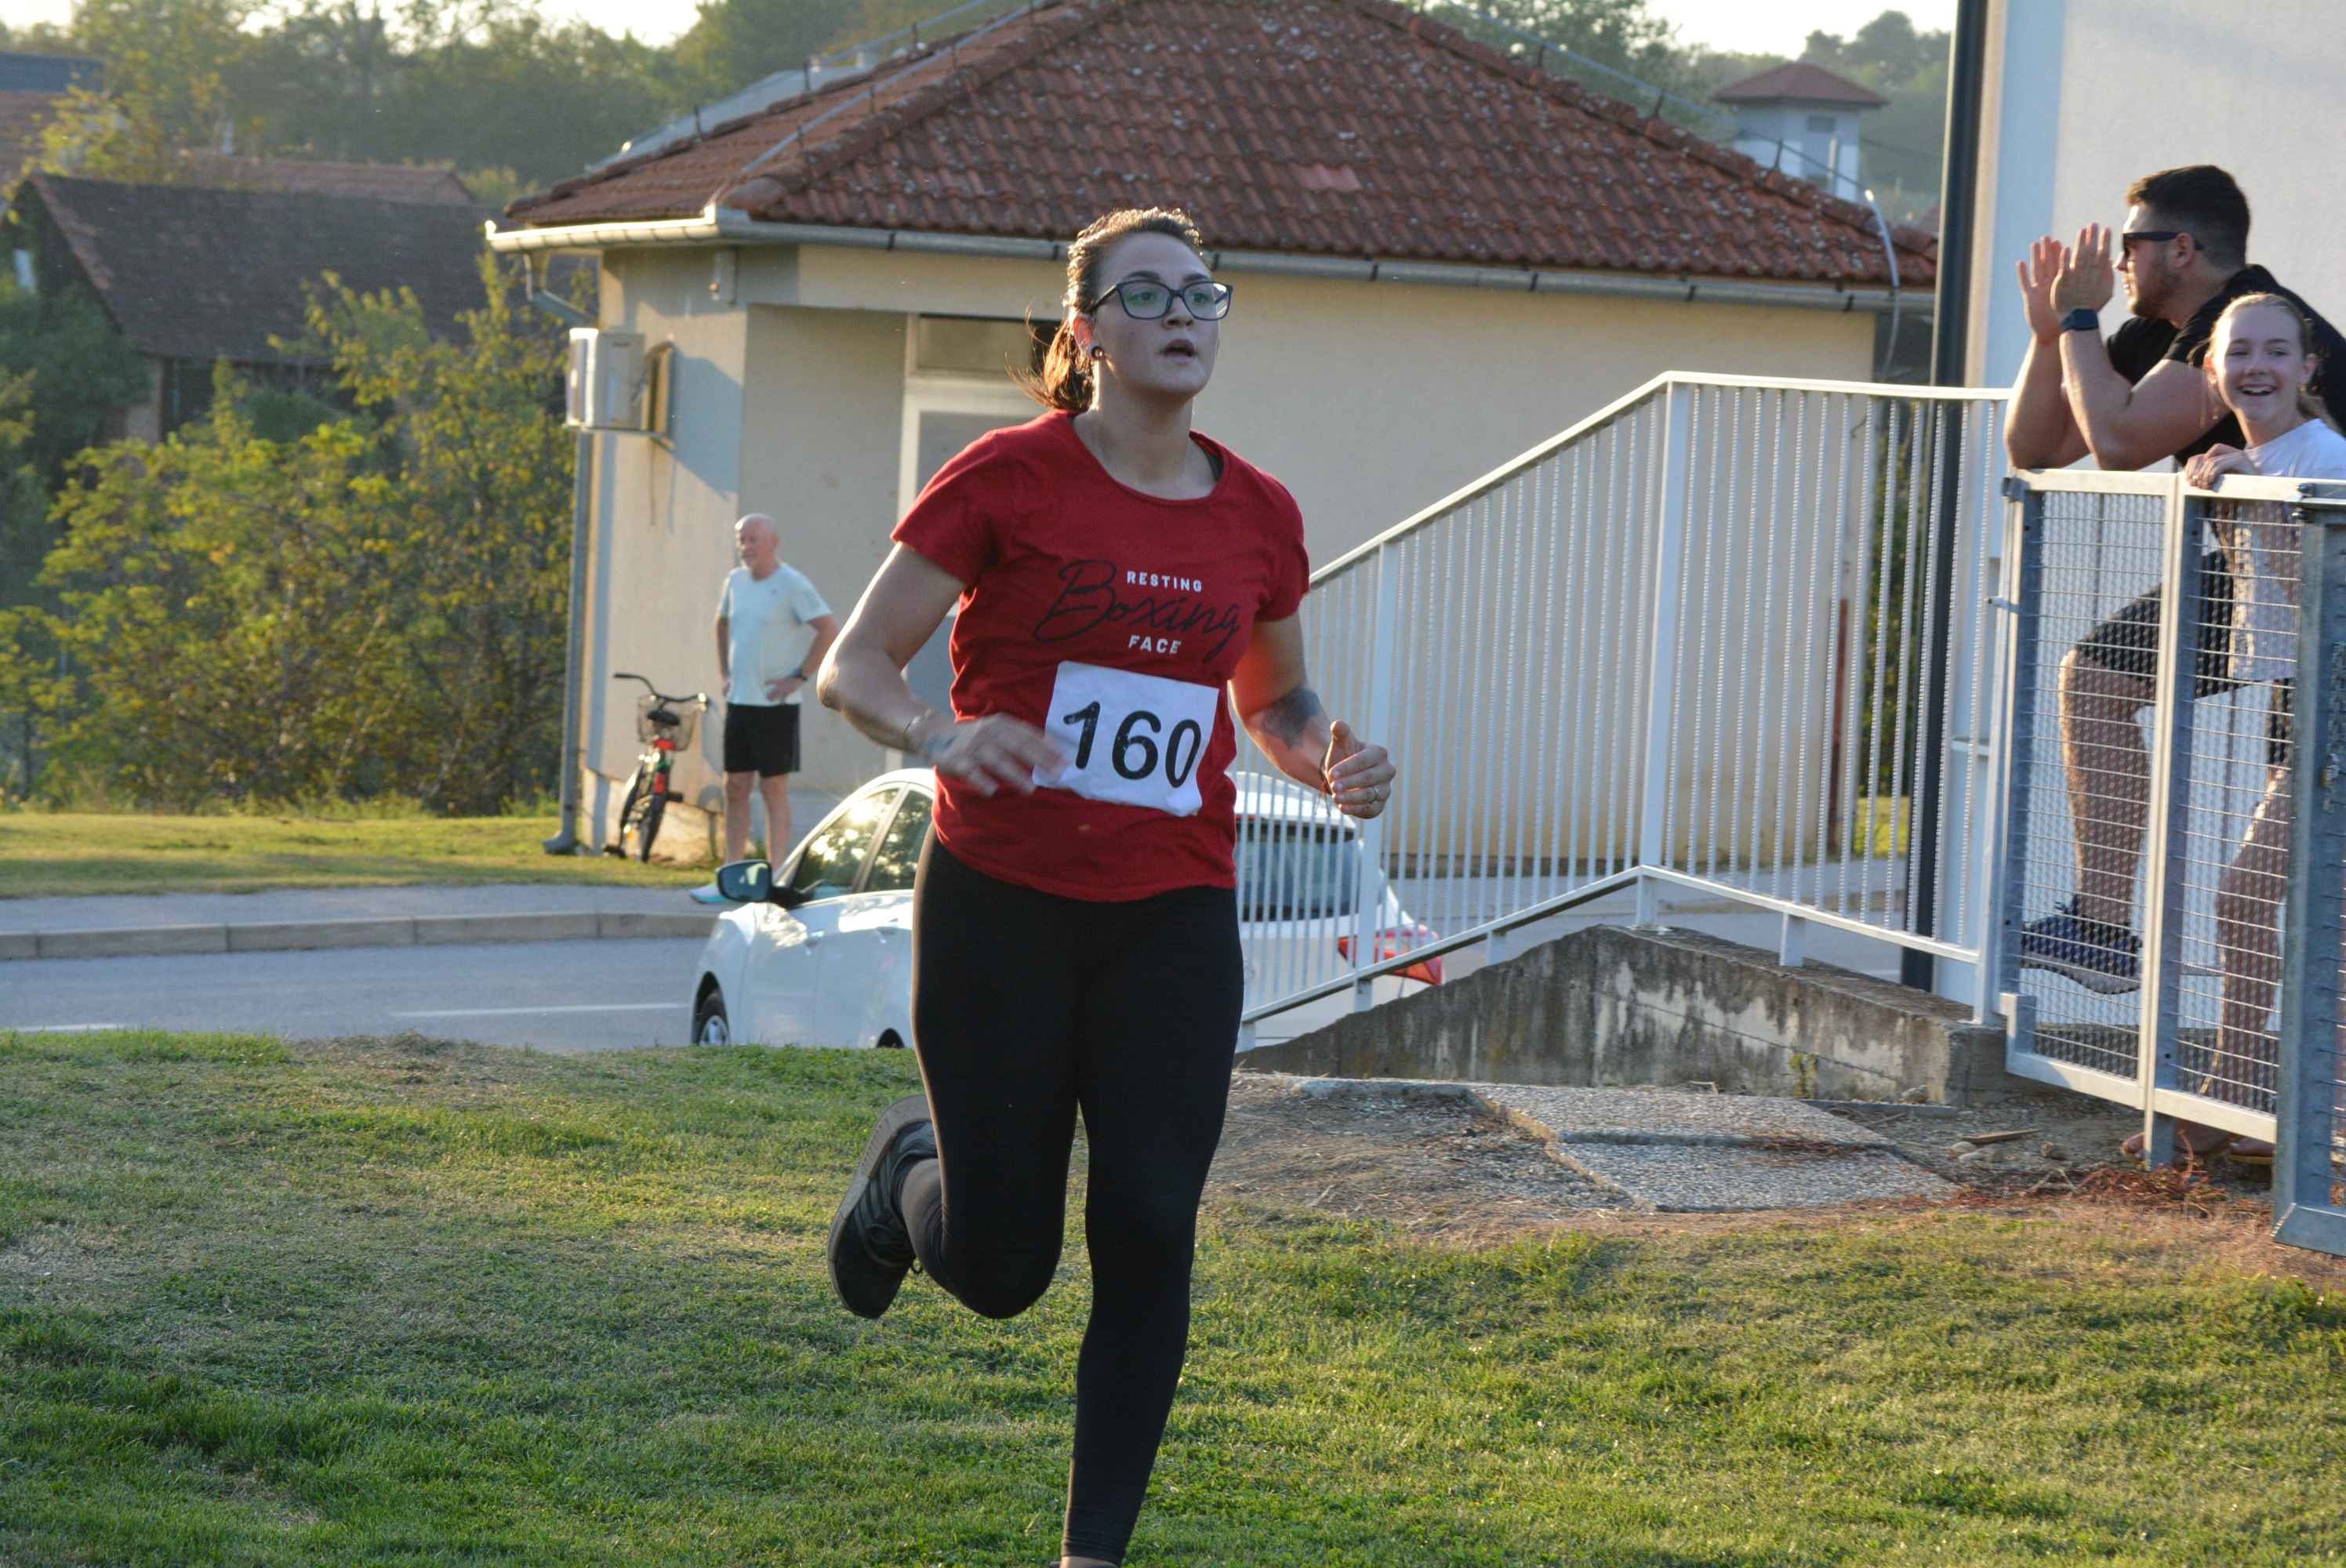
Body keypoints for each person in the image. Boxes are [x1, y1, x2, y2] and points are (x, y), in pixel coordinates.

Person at [814, 207, 1395, 1568]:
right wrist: (936, 736)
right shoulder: (1005, 481)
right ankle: (907, 1165)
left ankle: (1091, 1554)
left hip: (1172, 913)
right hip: (998, 903)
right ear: (1086, 335)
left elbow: (1278, 694)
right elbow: (855, 666)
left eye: (1203, 293)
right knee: (1006, 1269)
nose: (1184, 314)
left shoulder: (1258, 513)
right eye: (1147, 295)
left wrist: (1326, 758)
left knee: (1147, 1220)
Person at [2003, 165, 2346, 995]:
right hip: (2270, 566)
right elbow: (2036, 447)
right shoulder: (2146, 331)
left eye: (2129, 248)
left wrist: (2082, 317)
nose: (2117, 266)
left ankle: (2284, 1092)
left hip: (2324, 573)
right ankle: (2101, 931)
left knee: (2286, 870)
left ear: (2182, 249)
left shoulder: (2240, 325)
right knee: (2097, 678)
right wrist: (2052, 334)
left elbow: (2119, 442)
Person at [2132, 293, 2346, 1167]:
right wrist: (2225, 484)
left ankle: (2244, 1099)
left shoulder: (2323, 456)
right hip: (2296, 699)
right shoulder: (2250, 456)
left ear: (2306, 368)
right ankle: (2267, 1106)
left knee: (2251, 898)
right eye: (2238, 352)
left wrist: (2256, 493)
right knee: (2281, 905)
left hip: (2334, 700)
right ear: (2213, 373)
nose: (2256, 365)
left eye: (2276, 350)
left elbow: (2317, 597)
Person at [714, 513, 837, 862]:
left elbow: (829, 629)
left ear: (773, 543)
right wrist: (725, 672)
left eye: (753, 539)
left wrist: (799, 676)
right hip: (740, 701)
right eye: (741, 539)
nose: (746, 546)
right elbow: (721, 624)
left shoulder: (792, 584)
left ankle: (776, 870)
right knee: (735, 786)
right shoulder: (735, 581)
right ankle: (731, 870)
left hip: (776, 705)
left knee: (773, 788)